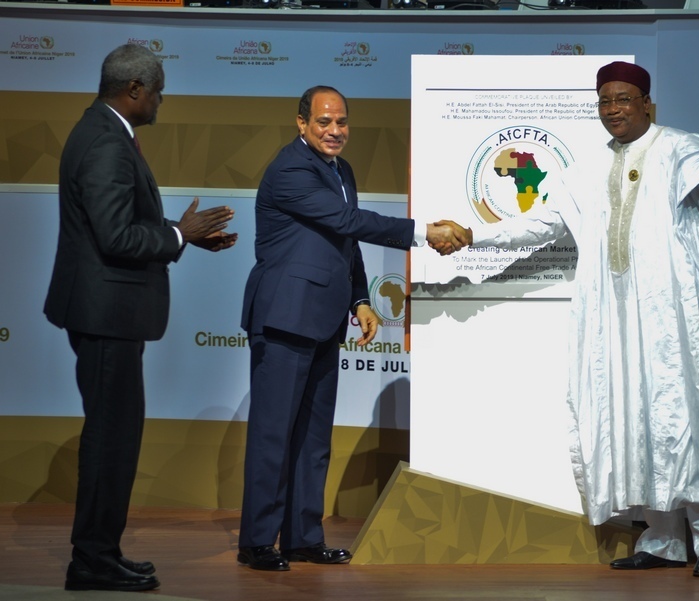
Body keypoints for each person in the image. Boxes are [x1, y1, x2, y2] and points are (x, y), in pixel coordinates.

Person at [436, 62, 699, 576]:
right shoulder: (588, 169)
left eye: (623, 99)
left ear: (646, 103)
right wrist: (472, 233)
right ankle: (662, 540)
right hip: (620, 318)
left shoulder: (685, 150)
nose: (613, 110)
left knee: (690, 418)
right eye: (605, 101)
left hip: (678, 313)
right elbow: (543, 223)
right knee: (638, 419)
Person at [238, 85, 465, 571]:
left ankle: (303, 538)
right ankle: (256, 542)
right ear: (302, 123)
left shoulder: (340, 170)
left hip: (324, 318)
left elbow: (346, 239)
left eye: (341, 122)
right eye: (324, 122)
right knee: (273, 435)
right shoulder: (291, 169)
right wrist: (424, 232)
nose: (334, 131)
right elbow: (347, 219)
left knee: (314, 437)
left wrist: (360, 298)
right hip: (285, 316)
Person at [44, 44, 238, 592]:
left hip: (108, 314)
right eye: (157, 92)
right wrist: (178, 234)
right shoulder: (106, 142)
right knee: (111, 440)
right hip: (107, 315)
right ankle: (92, 561)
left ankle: (101, 553)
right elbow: (115, 237)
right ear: (134, 90)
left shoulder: (103, 131)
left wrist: (182, 235)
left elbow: (118, 223)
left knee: (115, 436)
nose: (160, 101)